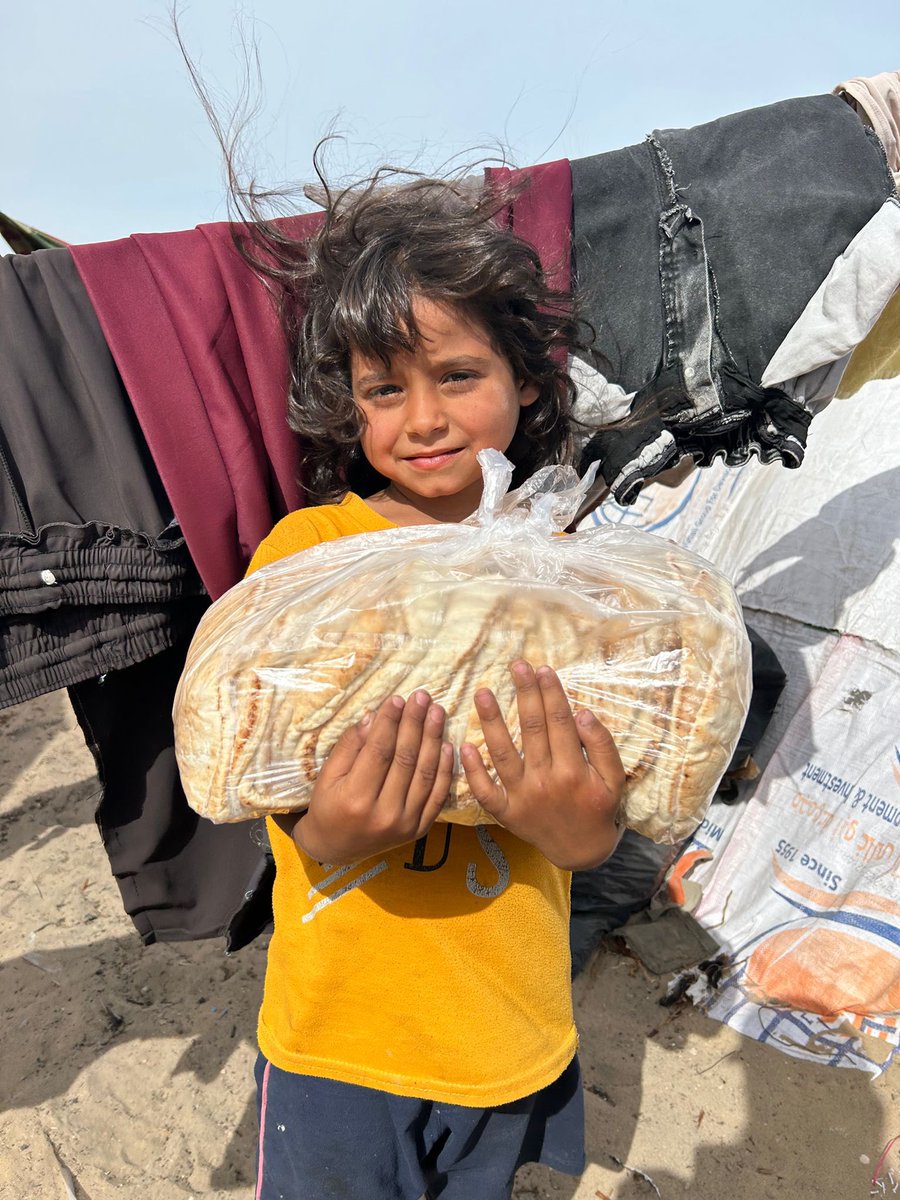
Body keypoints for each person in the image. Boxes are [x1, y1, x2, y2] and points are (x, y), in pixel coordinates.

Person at [239, 171, 626, 1200]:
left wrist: (581, 830)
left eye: (458, 375)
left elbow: (603, 813)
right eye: (383, 390)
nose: (422, 419)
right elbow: (258, 765)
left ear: (528, 381)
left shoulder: (573, 564)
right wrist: (329, 830)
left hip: (507, 1030)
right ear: (348, 404)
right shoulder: (312, 552)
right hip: (338, 1043)